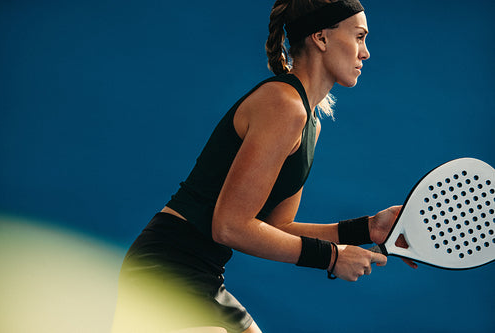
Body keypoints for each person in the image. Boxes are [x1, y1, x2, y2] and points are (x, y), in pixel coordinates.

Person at [112, 0, 416, 332]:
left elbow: (277, 227)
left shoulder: (310, 122)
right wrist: (331, 257)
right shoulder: (284, 106)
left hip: (204, 274)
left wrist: (365, 229)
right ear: (321, 38)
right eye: (359, 36)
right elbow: (228, 227)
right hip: (165, 270)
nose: (366, 52)